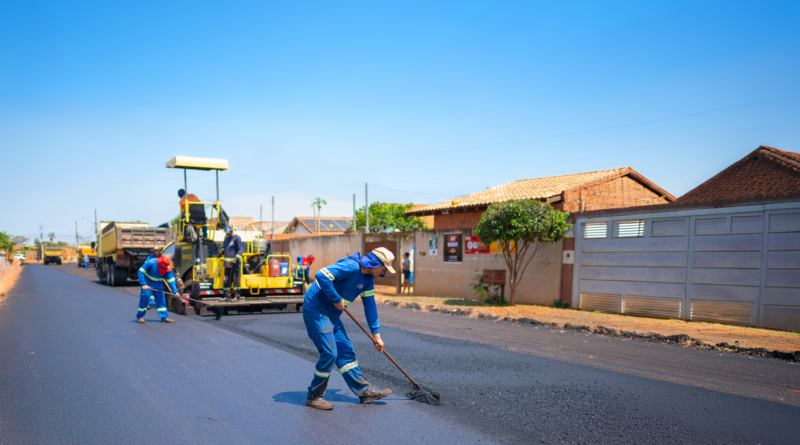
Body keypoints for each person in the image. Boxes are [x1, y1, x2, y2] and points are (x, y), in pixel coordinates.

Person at [302, 247, 396, 410]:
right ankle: (314, 396)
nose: (383, 273)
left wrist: (377, 335)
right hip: (316, 309)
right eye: (384, 268)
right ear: (376, 263)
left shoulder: (368, 279)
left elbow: (370, 306)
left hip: (332, 313)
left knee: (345, 350)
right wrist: (336, 298)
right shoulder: (350, 266)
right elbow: (321, 275)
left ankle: (364, 392)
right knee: (330, 353)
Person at [137, 255, 178, 323]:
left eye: (166, 265)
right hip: (148, 284)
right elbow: (140, 271)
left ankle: (164, 317)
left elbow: (171, 280)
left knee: (161, 300)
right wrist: (144, 284)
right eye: (164, 265)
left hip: (158, 285)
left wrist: (175, 291)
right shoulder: (151, 262)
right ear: (161, 261)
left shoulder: (168, 268)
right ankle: (140, 317)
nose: (165, 267)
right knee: (145, 299)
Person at [220, 225, 244, 302]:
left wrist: (236, 258)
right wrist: (221, 251)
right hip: (227, 264)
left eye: (228, 233)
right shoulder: (226, 238)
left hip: (235, 264)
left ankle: (236, 297)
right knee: (226, 280)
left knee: (235, 281)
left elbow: (240, 250)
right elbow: (225, 247)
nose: (227, 234)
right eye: (226, 233)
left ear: (231, 231)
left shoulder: (237, 238)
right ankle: (227, 296)